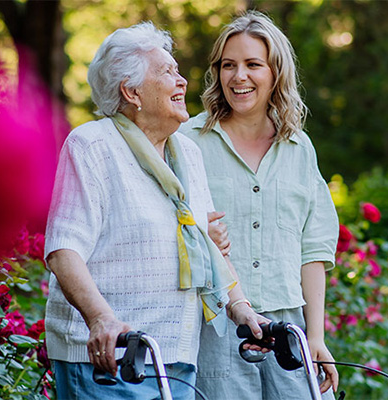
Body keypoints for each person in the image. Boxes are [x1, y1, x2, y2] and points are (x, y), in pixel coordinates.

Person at [43, 21, 268, 399]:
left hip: (175, 357)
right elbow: (64, 249)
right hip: (109, 358)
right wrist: (101, 318)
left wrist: (241, 308)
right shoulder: (93, 145)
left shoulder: (187, 154)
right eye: (167, 72)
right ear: (132, 92)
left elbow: (206, 246)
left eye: (177, 71)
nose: (182, 81)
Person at [180, 11, 340, 399]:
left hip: (288, 329)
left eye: (253, 64)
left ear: (276, 73)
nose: (239, 76)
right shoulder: (187, 142)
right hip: (216, 326)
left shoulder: (299, 148)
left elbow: (313, 249)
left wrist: (315, 337)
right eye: (228, 65)